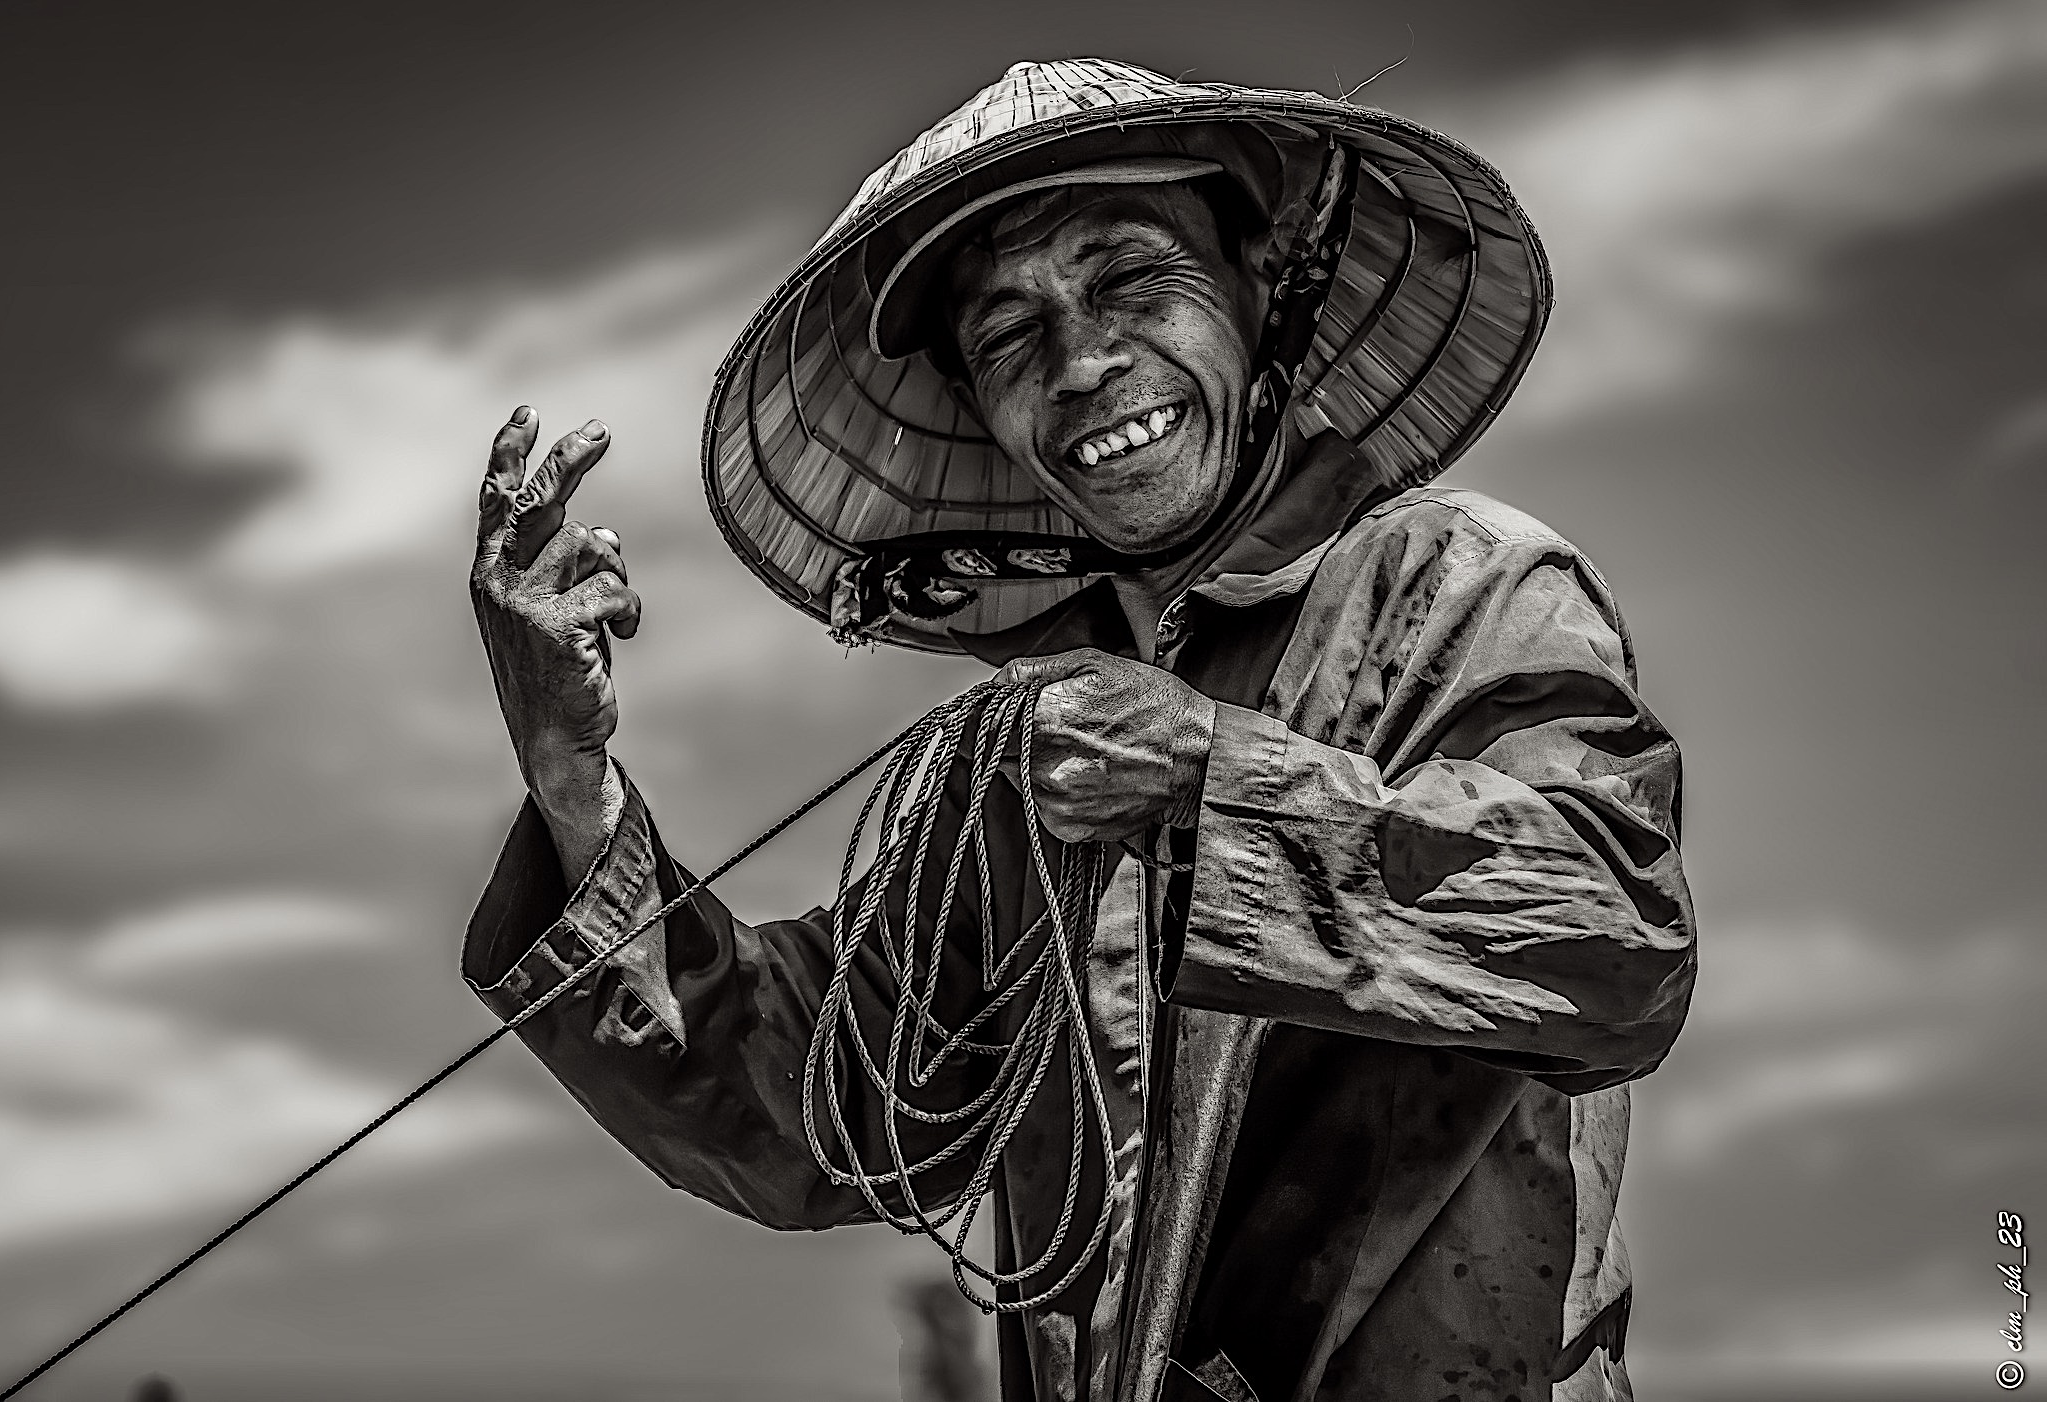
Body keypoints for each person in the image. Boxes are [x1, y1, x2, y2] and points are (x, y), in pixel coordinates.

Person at [464, 59, 1695, 1402]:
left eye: (1132, 279)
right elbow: (820, 1107)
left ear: (1263, 279)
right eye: (1010, 336)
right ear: (980, 411)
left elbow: (1617, 939)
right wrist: (571, 781)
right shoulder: (1025, 752)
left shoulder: (1465, 586)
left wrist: (1211, 779)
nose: (1085, 365)